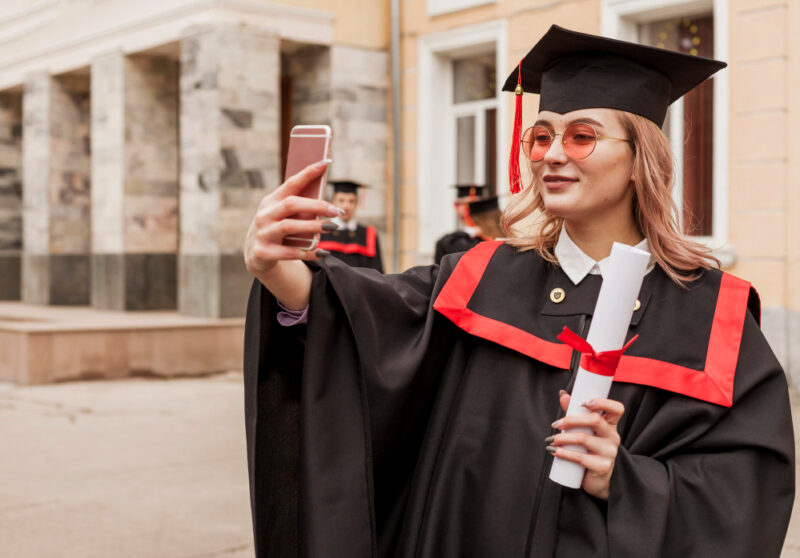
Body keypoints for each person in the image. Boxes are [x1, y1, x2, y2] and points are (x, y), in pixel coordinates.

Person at [242, 25, 795, 558]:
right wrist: (276, 267)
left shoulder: (709, 314)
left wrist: (622, 479)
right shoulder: (480, 276)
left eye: (581, 136)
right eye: (542, 136)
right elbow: (358, 320)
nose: (552, 153)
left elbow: (742, 493)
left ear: (640, 159)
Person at [316, 180, 384, 272]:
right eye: (341, 200)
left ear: (356, 204)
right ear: (333, 202)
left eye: (351, 201)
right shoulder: (321, 232)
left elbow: (377, 270)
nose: (346, 206)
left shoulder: (368, 234)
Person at [433, 185, 504, 264]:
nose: (463, 209)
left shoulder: (468, 243)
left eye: (468, 204)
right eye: (458, 204)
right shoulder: (461, 239)